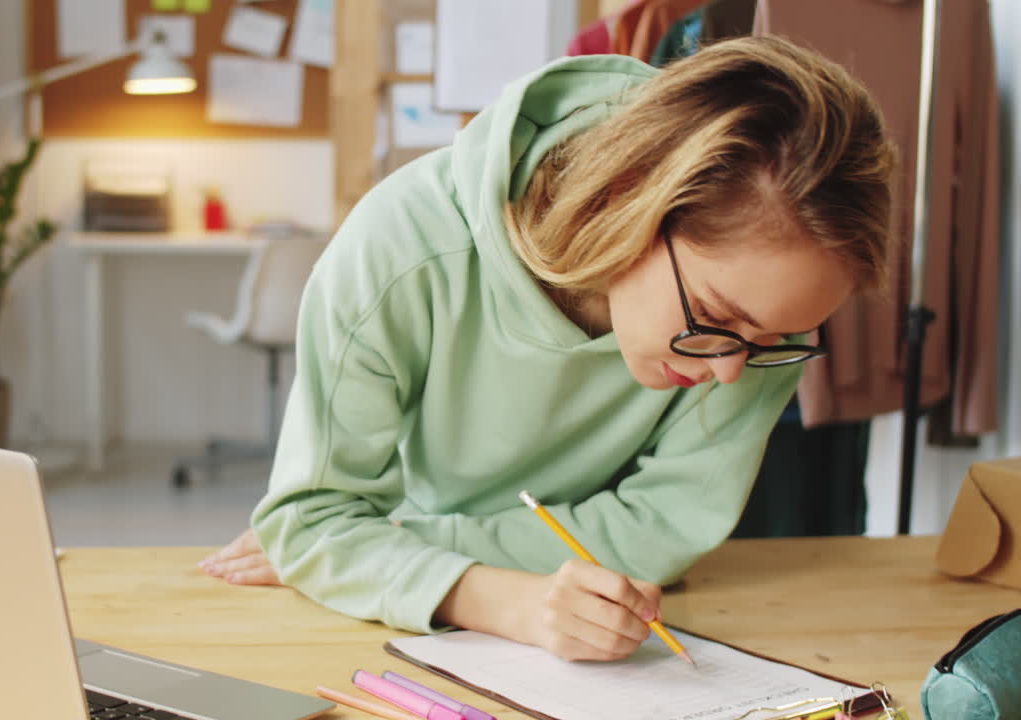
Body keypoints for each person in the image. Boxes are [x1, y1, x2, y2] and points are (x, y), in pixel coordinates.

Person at [199, 35, 896, 663]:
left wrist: (388, 545)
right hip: (410, 633)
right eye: (717, 318)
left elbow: (667, 527)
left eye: (777, 340)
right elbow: (314, 521)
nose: (730, 369)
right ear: (630, 196)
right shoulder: (399, 250)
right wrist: (493, 598)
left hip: (568, 604)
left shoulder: (758, 318)